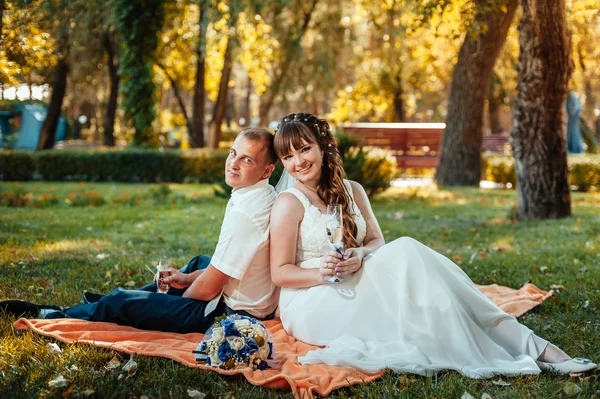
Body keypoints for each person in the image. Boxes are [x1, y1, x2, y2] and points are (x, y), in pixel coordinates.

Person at [269, 112, 597, 377]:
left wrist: (359, 254)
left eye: (304, 149)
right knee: (420, 280)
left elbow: (376, 241)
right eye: (288, 156)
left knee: (420, 267)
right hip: (311, 300)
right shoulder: (289, 202)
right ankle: (521, 352)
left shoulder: (352, 189)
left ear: (321, 147)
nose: (298, 161)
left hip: (353, 275)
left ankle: (537, 348)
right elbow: (280, 273)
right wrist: (322, 275)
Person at [1, 128, 280, 334]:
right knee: (197, 264)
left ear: (266, 170)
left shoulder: (245, 214)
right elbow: (222, 269)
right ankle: (108, 304)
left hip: (227, 313)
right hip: (242, 293)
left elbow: (207, 290)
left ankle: (57, 313)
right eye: (233, 153)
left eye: (246, 160)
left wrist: (168, 301)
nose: (233, 163)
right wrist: (184, 278)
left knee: (127, 303)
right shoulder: (258, 193)